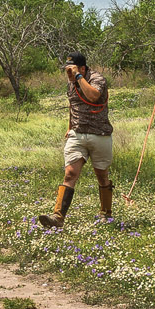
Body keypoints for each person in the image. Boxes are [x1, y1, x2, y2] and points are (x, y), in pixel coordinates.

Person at [38, 52, 111, 229]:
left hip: (100, 134)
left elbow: (93, 96)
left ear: (82, 68)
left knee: (102, 176)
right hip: (77, 135)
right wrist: (70, 126)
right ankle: (57, 218)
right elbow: (73, 105)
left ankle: (106, 214)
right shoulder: (71, 84)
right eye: (67, 70)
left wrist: (78, 77)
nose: (68, 73)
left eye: (72, 69)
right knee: (70, 174)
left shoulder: (97, 79)